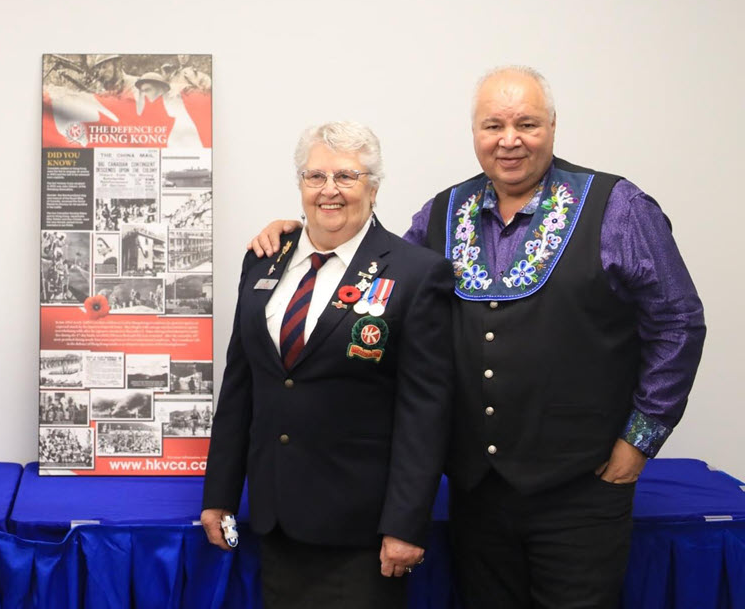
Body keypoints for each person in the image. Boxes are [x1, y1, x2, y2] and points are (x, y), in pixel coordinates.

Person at [248, 67, 706, 608]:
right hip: (476, 490)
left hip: (581, 486)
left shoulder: (617, 207)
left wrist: (639, 440)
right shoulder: (442, 213)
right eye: (493, 126)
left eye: (526, 124)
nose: (509, 140)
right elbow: (379, 267)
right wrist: (304, 238)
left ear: (553, 126)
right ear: (474, 133)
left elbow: (678, 321)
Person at [203, 121, 454, 608]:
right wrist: (220, 494)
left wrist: (405, 524)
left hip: (362, 530)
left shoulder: (416, 273)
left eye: (347, 176)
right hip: (278, 520)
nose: (329, 190)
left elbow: (426, 413)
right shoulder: (263, 261)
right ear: (300, 184)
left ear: (373, 188)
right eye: (316, 176)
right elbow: (241, 385)